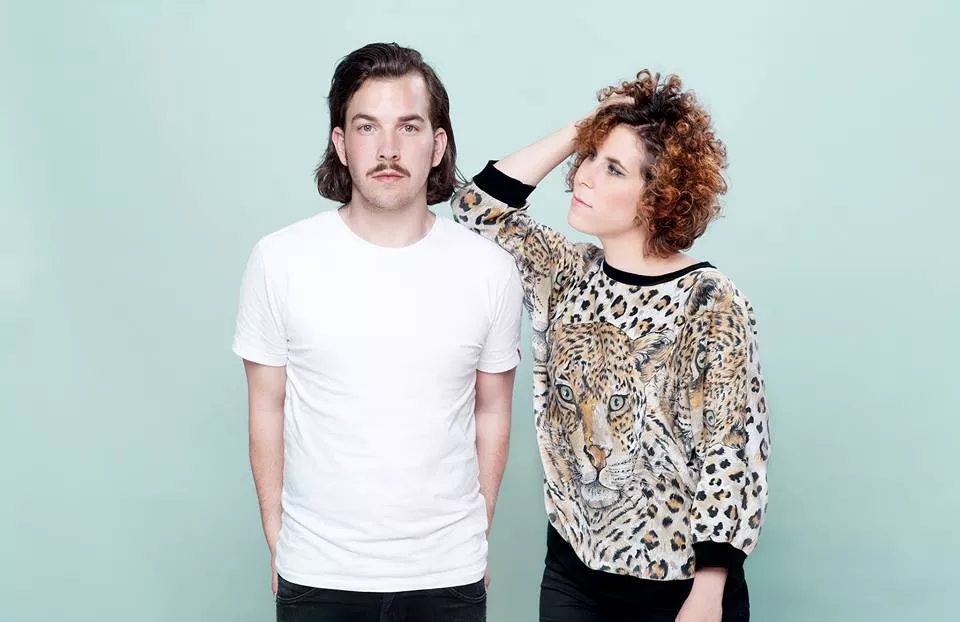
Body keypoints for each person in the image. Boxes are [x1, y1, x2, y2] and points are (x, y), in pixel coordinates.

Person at [451, 70, 770, 622]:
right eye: (589, 158)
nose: (585, 176)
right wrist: (582, 130)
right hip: (573, 572)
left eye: (614, 168)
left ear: (660, 194)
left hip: (680, 584)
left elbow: (733, 448)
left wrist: (709, 589)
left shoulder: (710, 299)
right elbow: (474, 208)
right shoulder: (565, 272)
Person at [232, 42, 523, 622]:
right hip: (319, 574)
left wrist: (473, 535)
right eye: (367, 127)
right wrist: (278, 537)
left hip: (447, 577)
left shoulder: (489, 269)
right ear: (341, 143)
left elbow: (492, 410)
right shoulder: (280, 260)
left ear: (437, 145)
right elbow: (266, 406)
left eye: (408, 127)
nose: (388, 149)